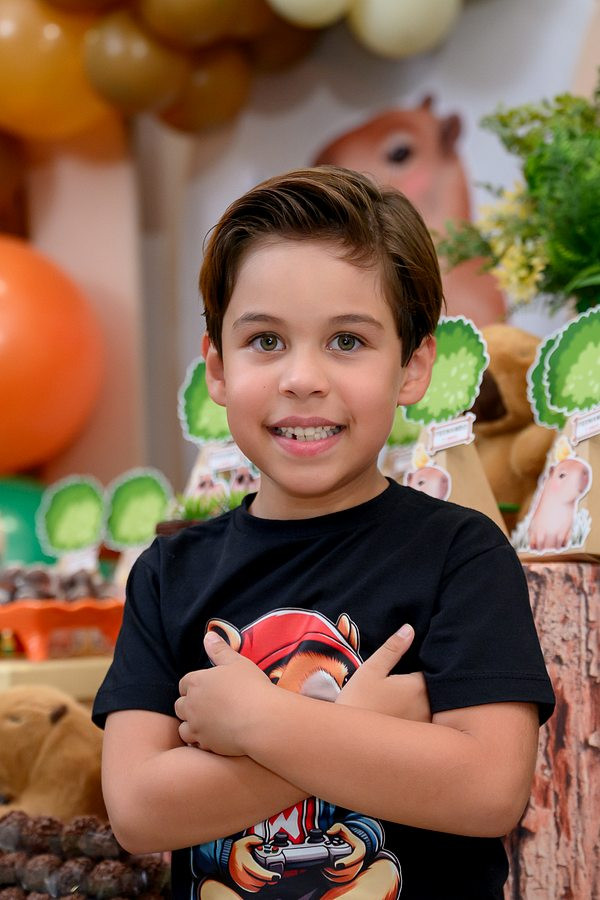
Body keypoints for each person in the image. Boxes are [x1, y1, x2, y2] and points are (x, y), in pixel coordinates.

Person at [92, 166, 554, 900]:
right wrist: (356, 722)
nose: (302, 377)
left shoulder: (461, 555)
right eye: (265, 340)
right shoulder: (168, 572)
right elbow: (140, 811)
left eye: (346, 340)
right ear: (217, 368)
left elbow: (487, 790)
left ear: (413, 366)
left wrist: (260, 722)